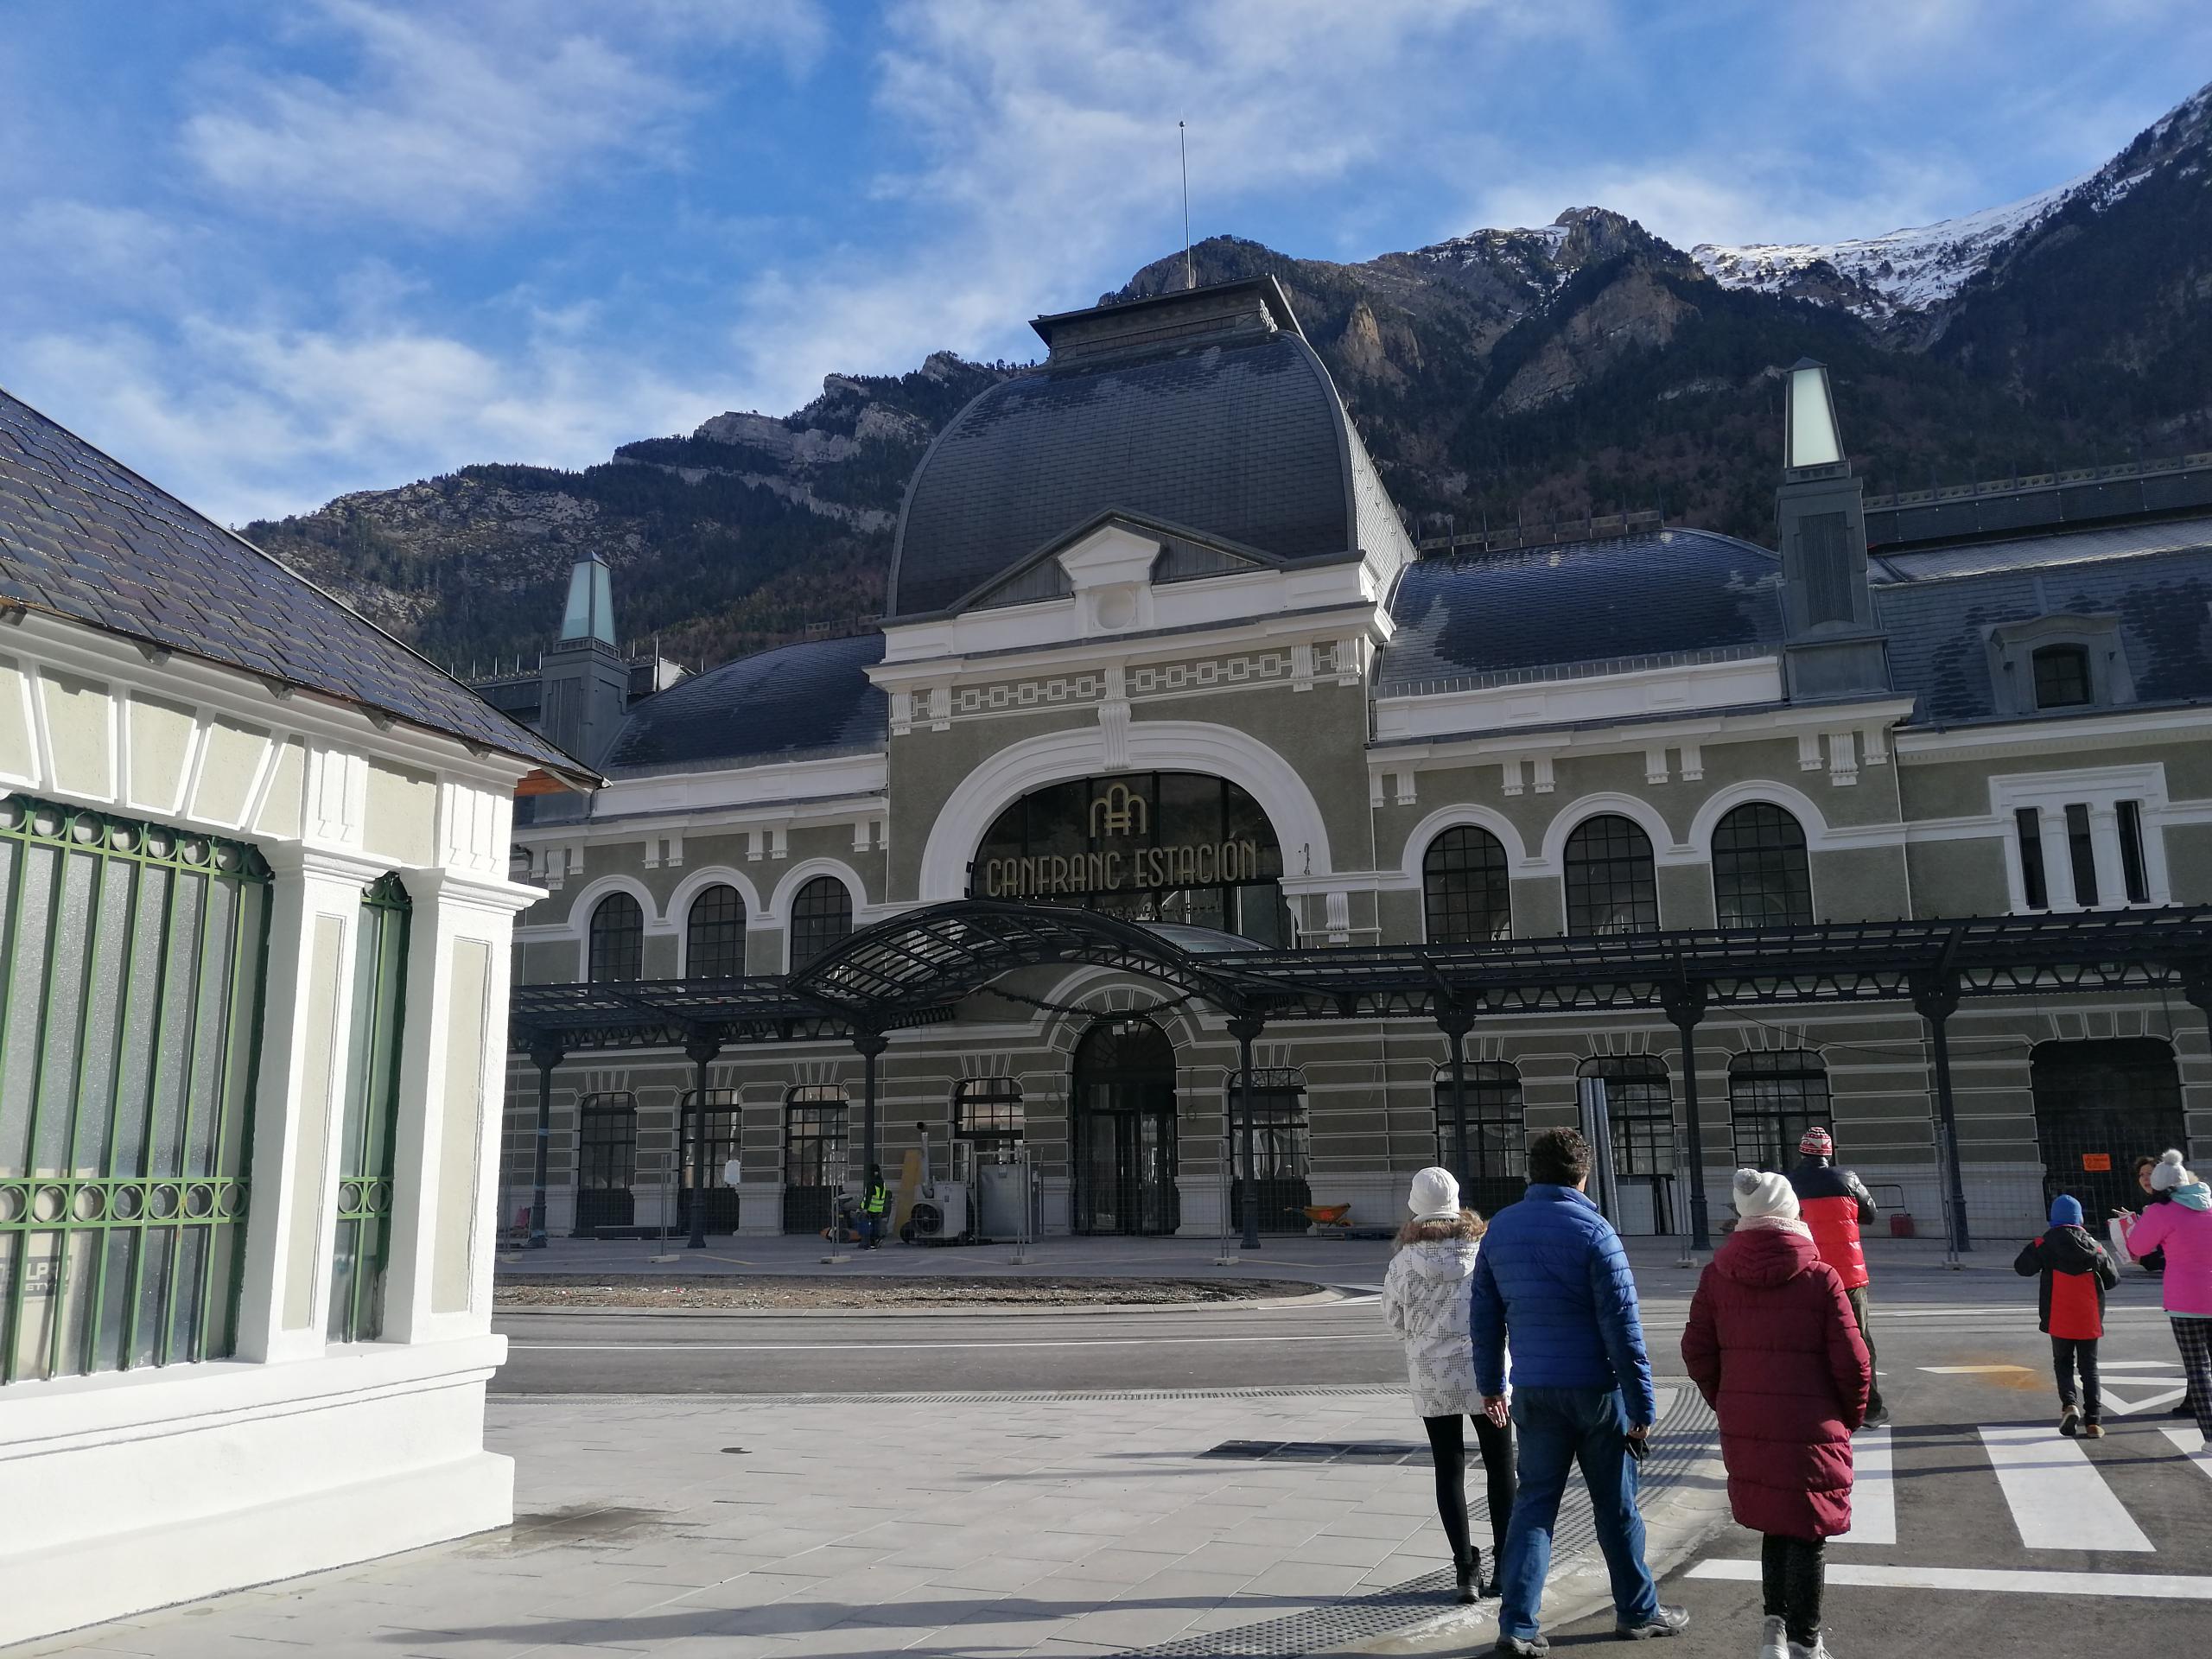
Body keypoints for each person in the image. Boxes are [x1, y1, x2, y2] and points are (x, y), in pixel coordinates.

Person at [1471, 1128, 1688, 1653]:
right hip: (1595, 1391)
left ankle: (1518, 1625)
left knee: (1534, 1505)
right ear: (1583, 1174)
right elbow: (1623, 1329)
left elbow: (1483, 1316)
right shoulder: (1596, 1232)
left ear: (1531, 1172)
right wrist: (1641, 1406)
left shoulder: (1500, 1230)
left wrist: (1491, 1385)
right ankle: (1637, 1611)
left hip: (1534, 1390)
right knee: (1616, 1509)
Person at [1682, 1171, 1868, 1659]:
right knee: (1808, 1531)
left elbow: (1696, 1348)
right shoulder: (1819, 1275)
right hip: (1811, 1421)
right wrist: (1849, 1415)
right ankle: (1808, 1639)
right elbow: (1854, 1360)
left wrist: (1727, 1398)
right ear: (1792, 1213)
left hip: (1749, 1420)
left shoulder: (1718, 1273)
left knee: (1775, 1525)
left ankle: (1774, 1635)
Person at [1381, 1166, 1516, 1604]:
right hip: (1486, 1371)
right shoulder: (1484, 1250)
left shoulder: (1404, 1261)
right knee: (1500, 1464)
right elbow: (1507, 1308)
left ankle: (1464, 1568)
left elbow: (1394, 1321)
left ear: (1416, 1205)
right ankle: (1507, 1567)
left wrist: (1423, 1338)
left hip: (1432, 1375)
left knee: (1449, 1467)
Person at [1789, 1127, 1887, 1427]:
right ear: (1828, 1153)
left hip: (1807, 1272)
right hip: (1849, 1274)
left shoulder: (1789, 1183)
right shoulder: (1847, 1178)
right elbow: (1870, 1214)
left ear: (1803, 1152)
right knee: (1858, 1339)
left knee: (1809, 1340)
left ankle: (1816, 1405)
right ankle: (1869, 1408)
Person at [2119, 1149, 2212, 1440]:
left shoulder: (2160, 1211)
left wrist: (2138, 1224)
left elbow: (2138, 1247)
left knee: (2198, 1368)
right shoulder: (2209, 1207)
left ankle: (2210, 1437)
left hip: (2186, 1301)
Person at [2013, 1193, 2120, 1438]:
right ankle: (2094, 1421)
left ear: (2053, 1218)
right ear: (2079, 1218)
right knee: (2089, 1367)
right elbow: (2113, 1280)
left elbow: (2022, 1268)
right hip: (2088, 1317)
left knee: (2062, 1363)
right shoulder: (2095, 1246)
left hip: (2058, 1315)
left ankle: (2069, 1405)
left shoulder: (2044, 1244)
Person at [2113, 1154, 2170, 1276]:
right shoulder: (2160, 1202)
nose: (2145, 1178)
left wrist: (2144, 1260)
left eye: (2150, 1174)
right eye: (2141, 1175)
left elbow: (2174, 1253)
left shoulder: (2163, 1203)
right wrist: (2136, 1221)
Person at [859, 1164, 890, 1249]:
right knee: (876, 1225)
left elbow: (868, 1197)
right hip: (879, 1208)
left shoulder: (871, 1183)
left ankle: (872, 1243)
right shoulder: (882, 1182)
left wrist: (865, 1208)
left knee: (870, 1226)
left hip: (871, 1208)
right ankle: (877, 1238)